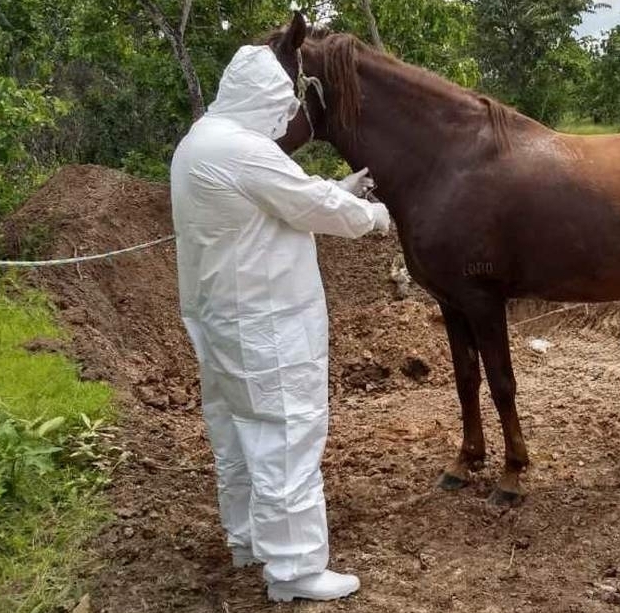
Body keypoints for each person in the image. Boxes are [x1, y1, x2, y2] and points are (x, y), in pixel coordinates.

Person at [170, 44, 390, 603]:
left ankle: (248, 541)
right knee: (287, 435)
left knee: (238, 436)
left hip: (220, 316)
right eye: (277, 107)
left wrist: (335, 189)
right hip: (267, 323)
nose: (281, 119)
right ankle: (294, 570)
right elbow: (308, 206)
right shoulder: (244, 150)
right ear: (260, 101)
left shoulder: (200, 141)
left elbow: (280, 202)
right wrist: (373, 214)